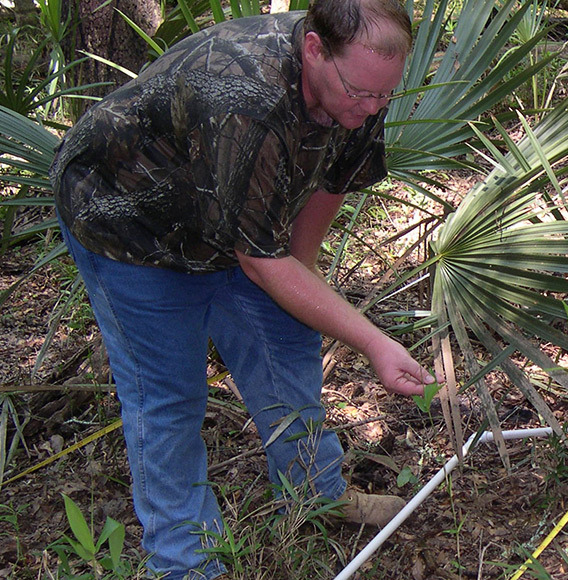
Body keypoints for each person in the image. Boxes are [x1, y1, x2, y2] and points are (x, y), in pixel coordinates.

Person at [49, 0, 434, 578]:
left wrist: (296, 299)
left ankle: (315, 492)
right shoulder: (248, 94)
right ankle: (186, 563)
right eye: (360, 93)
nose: (371, 107)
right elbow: (260, 261)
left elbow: (325, 192)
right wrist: (375, 343)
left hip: (233, 220)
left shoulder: (362, 82)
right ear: (313, 50)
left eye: (384, 95)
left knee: (287, 344)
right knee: (168, 397)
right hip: (127, 221)